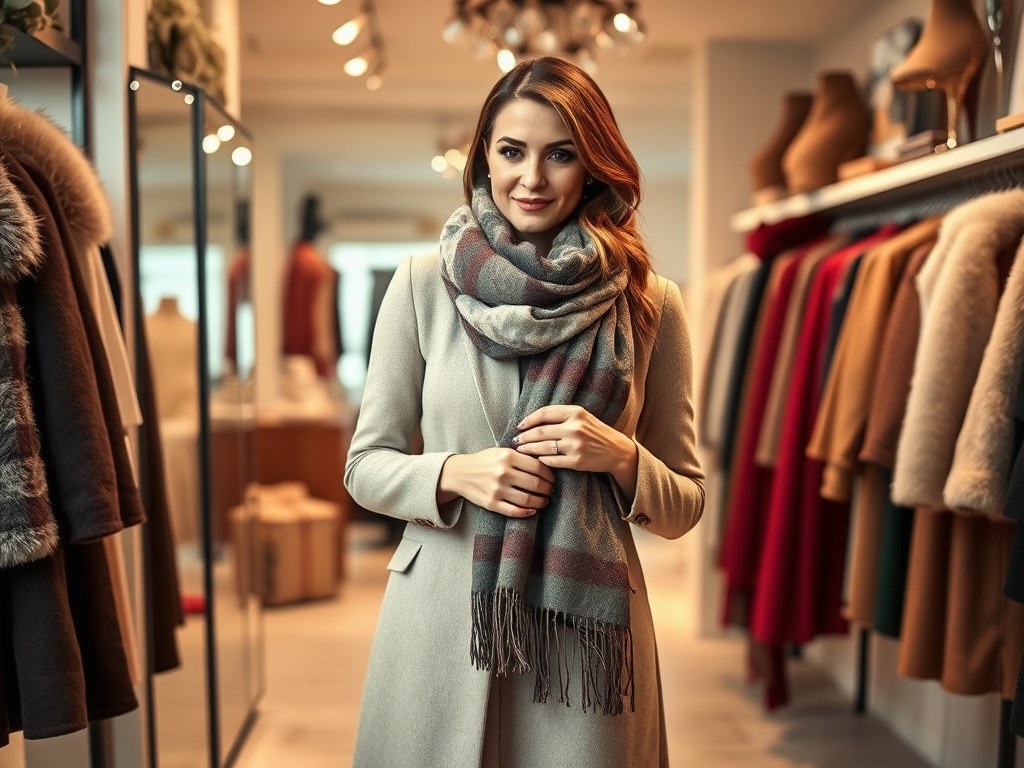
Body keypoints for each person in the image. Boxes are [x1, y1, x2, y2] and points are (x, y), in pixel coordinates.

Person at [344, 56, 705, 768]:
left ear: (594, 166)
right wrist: (455, 473)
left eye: (560, 155)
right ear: (484, 156)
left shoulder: (649, 302)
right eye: (512, 151)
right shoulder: (422, 284)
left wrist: (622, 456)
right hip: (442, 623)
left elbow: (686, 502)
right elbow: (365, 466)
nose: (531, 179)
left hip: (582, 644)